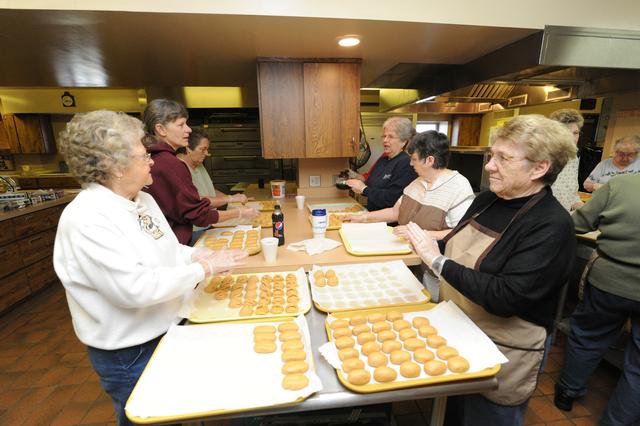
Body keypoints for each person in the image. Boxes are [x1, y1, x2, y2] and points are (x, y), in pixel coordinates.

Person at [53, 110, 248, 425]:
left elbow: (169, 250)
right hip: (131, 352)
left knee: (182, 411)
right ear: (113, 165)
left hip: (169, 328)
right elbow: (136, 289)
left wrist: (199, 256)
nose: (152, 160)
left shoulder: (142, 199)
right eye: (143, 155)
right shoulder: (87, 219)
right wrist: (204, 270)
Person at [405, 114, 577, 426]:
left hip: (504, 348)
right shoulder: (486, 200)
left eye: (503, 158)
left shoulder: (551, 225)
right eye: (491, 155)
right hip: (458, 329)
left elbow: (506, 296)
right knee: (452, 414)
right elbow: (456, 247)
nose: (489, 166)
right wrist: (424, 247)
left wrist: (437, 261)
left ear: (539, 168)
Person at [345, 130, 474, 300]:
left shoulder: (458, 187)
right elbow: (395, 212)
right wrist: (362, 218)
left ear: (429, 160)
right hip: (408, 263)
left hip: (434, 272)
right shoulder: (417, 183)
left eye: (413, 159)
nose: (410, 164)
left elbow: (461, 233)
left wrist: (418, 234)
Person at [554, 173, 640, 425]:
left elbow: (578, 224)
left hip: (610, 280)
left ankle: (567, 393)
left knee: (589, 336)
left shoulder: (622, 184)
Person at [142, 99, 258, 245]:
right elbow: (197, 214)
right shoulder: (170, 164)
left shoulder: (152, 157)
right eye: (181, 124)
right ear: (161, 129)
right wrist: (238, 213)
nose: (188, 130)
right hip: (175, 242)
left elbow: (188, 203)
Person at [177, 129, 250, 244]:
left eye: (207, 149)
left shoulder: (198, 164)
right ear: (188, 148)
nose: (207, 153)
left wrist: (232, 199)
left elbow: (210, 191)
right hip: (194, 231)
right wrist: (230, 199)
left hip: (208, 225)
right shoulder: (179, 169)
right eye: (202, 149)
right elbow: (198, 201)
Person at [345, 117, 418, 211]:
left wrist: (364, 189)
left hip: (390, 223)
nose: (385, 140)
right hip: (375, 216)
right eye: (384, 136)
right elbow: (371, 185)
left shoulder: (406, 164)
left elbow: (392, 199)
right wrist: (359, 187)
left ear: (403, 141)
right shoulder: (383, 160)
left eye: (390, 137)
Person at [549, 108, 584, 211]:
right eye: (566, 133)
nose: (573, 138)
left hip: (562, 220)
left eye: (575, 133)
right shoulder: (541, 157)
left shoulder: (573, 159)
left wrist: (586, 209)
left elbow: (571, 195)